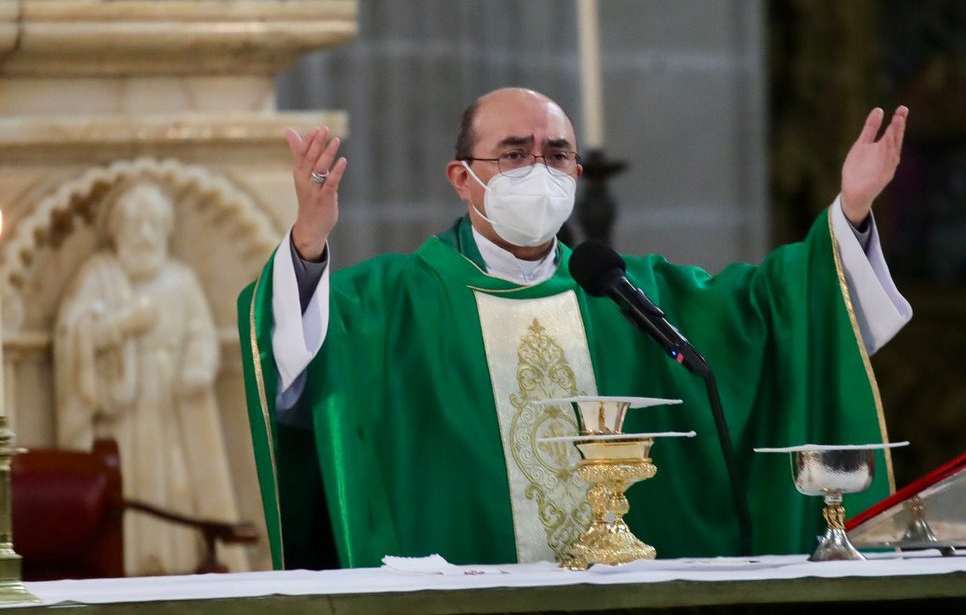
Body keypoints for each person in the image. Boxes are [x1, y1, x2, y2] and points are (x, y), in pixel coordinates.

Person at [238, 88, 911, 569]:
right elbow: (298, 354)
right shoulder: (391, 303)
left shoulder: (627, 293)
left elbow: (768, 313)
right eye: (514, 153)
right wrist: (306, 245)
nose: (540, 168)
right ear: (462, 178)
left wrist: (848, 211)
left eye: (556, 154)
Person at [55, 182, 245, 575]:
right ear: (117, 231)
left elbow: (202, 334)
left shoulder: (181, 280)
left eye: (153, 225)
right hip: (119, 412)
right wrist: (123, 325)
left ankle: (175, 567)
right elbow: (74, 332)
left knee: (176, 488)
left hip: (172, 410)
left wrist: (197, 365)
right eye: (135, 225)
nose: (144, 235)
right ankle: (120, 567)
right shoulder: (98, 276)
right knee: (127, 487)